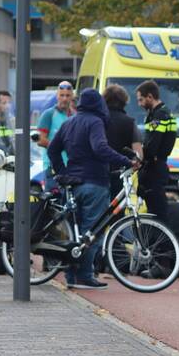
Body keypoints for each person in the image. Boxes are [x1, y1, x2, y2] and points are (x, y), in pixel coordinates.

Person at [48, 88, 136, 290]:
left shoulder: (69, 122)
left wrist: (62, 173)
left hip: (72, 184)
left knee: (74, 234)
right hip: (94, 182)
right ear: (99, 104)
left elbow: (53, 149)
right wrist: (126, 161)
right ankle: (86, 276)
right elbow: (100, 148)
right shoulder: (95, 121)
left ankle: (71, 276)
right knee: (92, 231)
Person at [136, 80, 176, 221]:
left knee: (156, 213)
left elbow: (152, 146)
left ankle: (160, 242)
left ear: (150, 97)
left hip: (155, 168)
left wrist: (138, 157)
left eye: (141, 99)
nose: (139, 104)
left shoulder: (158, 115)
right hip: (159, 166)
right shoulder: (164, 112)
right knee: (157, 212)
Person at [102, 84, 143, 197]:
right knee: (117, 211)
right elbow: (138, 153)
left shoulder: (97, 120)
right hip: (120, 174)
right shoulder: (130, 122)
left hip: (97, 174)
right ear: (124, 101)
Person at [36, 81, 75, 187]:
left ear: (72, 96)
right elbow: (40, 140)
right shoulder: (49, 114)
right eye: (62, 95)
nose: (65, 99)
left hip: (71, 167)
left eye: (67, 95)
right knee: (54, 200)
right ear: (57, 96)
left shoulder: (75, 116)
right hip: (52, 167)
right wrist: (60, 147)